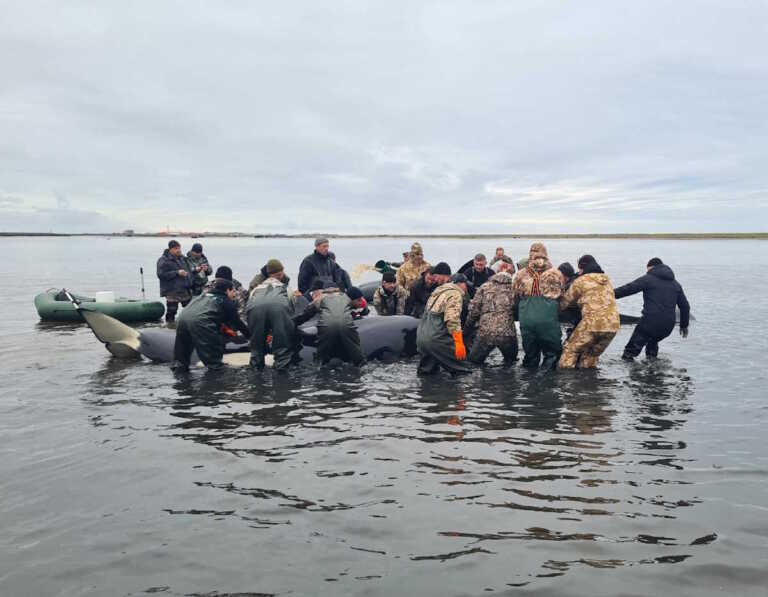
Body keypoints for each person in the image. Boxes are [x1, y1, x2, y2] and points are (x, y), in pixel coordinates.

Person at [613, 257, 691, 360]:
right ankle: (653, 372)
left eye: (648, 270)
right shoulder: (676, 284)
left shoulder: (648, 278)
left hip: (649, 322)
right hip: (667, 326)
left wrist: (607, 294)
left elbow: (628, 289)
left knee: (629, 353)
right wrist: (684, 326)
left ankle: (632, 373)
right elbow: (685, 306)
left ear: (651, 267)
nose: (647, 272)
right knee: (652, 346)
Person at [171, 276, 249, 372]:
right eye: (233, 291)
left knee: (181, 357)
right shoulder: (226, 301)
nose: (234, 294)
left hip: (181, 319)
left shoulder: (203, 295)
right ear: (227, 290)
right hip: (201, 323)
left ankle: (180, 379)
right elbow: (238, 324)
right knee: (213, 360)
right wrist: (251, 337)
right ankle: (214, 380)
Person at [558, 255, 620, 369]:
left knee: (570, 351)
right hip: (613, 325)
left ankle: (564, 380)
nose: (579, 272)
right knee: (591, 355)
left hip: (592, 324)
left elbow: (564, 303)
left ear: (583, 267)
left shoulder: (581, 281)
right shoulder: (607, 280)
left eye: (580, 269)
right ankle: (589, 382)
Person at [512, 243, 563, 369]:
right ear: (546, 254)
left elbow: (514, 295)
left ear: (530, 254)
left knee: (530, 356)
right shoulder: (556, 273)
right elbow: (563, 296)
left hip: (528, 320)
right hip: (548, 321)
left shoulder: (521, 274)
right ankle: (548, 382)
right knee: (552, 355)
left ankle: (529, 383)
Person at [416, 263, 472, 375]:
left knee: (426, 374)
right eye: (465, 285)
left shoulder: (436, 293)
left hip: (421, 340)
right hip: (436, 340)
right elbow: (452, 319)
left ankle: (424, 392)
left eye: (436, 276)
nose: (434, 279)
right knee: (463, 371)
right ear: (461, 284)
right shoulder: (455, 293)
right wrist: (459, 342)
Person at [246, 259, 300, 371]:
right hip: (278, 309)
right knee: (282, 346)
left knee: (256, 348)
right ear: (280, 274)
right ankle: (281, 376)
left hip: (255, 309)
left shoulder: (256, 288)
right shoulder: (286, 288)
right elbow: (291, 308)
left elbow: (249, 303)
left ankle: (255, 376)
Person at [293, 284, 365, 366]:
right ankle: (360, 365)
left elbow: (307, 313)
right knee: (357, 353)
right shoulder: (346, 298)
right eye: (358, 300)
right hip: (346, 325)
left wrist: (294, 323)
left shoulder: (321, 298)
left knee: (321, 354)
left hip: (326, 327)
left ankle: (317, 365)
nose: (360, 302)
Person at [464, 261, 518, 365]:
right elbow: (517, 311)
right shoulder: (514, 289)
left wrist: (466, 330)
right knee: (511, 362)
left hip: (485, 334)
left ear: (495, 273)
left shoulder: (484, 287)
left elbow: (474, 312)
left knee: (473, 362)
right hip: (507, 334)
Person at [157, 240, 193, 323]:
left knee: (190, 310)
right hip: (171, 291)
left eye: (179, 248)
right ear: (170, 249)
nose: (179, 250)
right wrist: (177, 273)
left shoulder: (182, 258)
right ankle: (169, 328)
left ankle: (187, 325)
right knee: (171, 312)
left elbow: (189, 271)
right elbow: (161, 275)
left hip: (184, 290)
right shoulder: (163, 260)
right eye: (176, 248)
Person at [558, 262, 580, 338]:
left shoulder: (569, 286)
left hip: (575, 317)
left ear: (564, 276)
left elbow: (562, 304)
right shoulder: (576, 281)